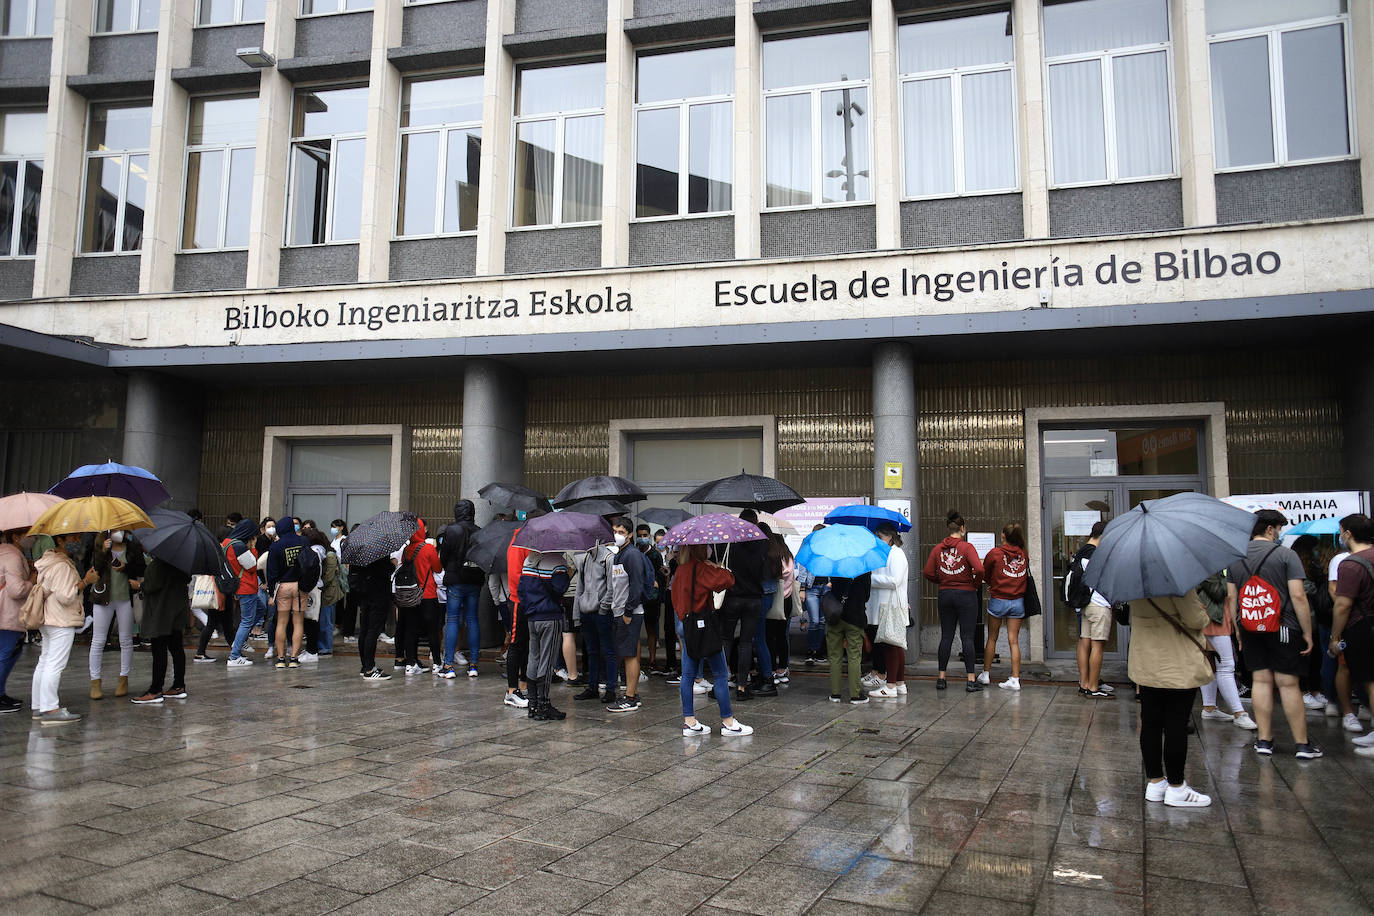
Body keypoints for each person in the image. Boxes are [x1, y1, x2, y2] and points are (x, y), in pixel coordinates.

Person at [1226, 509, 1321, 759]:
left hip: (1250, 626)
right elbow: (1299, 596)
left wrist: (1237, 630)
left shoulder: (1236, 558)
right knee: (1288, 684)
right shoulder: (1286, 555)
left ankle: (1264, 740)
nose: (1279, 533)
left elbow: (1232, 598)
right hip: (1284, 627)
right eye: (1279, 529)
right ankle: (1302, 745)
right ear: (1270, 529)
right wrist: (1307, 633)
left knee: (1260, 681)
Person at [1132, 592, 1215, 807]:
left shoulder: (1135, 585)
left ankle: (1155, 781)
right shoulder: (1177, 585)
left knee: (1150, 724)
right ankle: (1177, 787)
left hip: (1146, 662)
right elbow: (1196, 619)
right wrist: (1203, 613)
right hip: (1176, 663)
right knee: (1176, 725)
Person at [673, 544, 752, 737]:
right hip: (704, 627)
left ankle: (689, 722)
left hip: (686, 625)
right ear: (698, 549)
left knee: (688, 675)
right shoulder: (701, 568)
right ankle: (728, 722)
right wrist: (719, 567)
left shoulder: (681, 569)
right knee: (720, 674)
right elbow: (727, 580)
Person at [32, 533, 93, 724]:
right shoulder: (62, 565)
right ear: (60, 540)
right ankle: (50, 709)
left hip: (48, 618)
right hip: (61, 619)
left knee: (45, 661)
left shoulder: (47, 560)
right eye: (73, 538)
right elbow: (66, 596)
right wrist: (85, 581)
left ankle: (39, 705)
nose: (77, 542)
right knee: (54, 664)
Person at [923, 509, 984, 692]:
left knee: (946, 636)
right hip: (966, 595)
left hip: (945, 594)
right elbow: (979, 569)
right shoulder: (967, 548)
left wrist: (941, 580)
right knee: (967, 637)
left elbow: (927, 572)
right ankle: (971, 679)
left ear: (948, 528)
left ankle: (941, 677)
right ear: (963, 528)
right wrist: (974, 584)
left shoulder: (938, 549)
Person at [1330, 514, 1374, 756]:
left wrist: (1335, 636)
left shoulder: (1351, 564)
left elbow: (1343, 605)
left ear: (1348, 534)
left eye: (1341, 531)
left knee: (1370, 681)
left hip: (1363, 628)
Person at [721, 509, 774, 700]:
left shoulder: (731, 543)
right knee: (746, 643)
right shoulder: (762, 544)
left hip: (733, 597)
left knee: (726, 639)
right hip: (754, 599)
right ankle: (742, 687)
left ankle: (721, 683)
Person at [88, 530, 145, 700]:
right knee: (98, 640)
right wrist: (102, 552)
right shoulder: (100, 545)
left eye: (120, 528)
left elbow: (141, 568)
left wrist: (125, 567)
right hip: (103, 596)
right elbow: (93, 568)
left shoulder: (132, 547)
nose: (117, 532)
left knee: (126, 640)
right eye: (113, 529)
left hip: (124, 597)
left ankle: (123, 679)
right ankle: (95, 682)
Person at [1197, 572, 1257, 730]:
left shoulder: (1206, 564)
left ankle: (1209, 707)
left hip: (1214, 617)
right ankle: (1239, 713)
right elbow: (1219, 592)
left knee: (1211, 665)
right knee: (1226, 667)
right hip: (1214, 619)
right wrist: (1231, 584)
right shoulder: (1209, 566)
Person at [606, 517, 653, 713]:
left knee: (630, 655)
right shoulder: (620, 555)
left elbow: (636, 585)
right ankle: (631, 693)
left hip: (629, 612)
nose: (617, 535)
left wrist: (627, 611)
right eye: (615, 531)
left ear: (630, 535)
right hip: (620, 611)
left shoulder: (632, 555)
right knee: (626, 653)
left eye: (621, 532)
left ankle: (630, 697)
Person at [517, 549, 569, 721]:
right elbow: (559, 589)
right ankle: (544, 705)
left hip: (532, 617)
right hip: (550, 616)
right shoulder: (558, 562)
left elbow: (521, 590)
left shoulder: (529, 560)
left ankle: (532, 704)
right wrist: (568, 574)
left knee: (534, 658)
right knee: (547, 661)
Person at [132, 555, 191, 704]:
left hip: (161, 611)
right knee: (176, 647)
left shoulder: (159, 563)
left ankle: (155, 690)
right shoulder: (182, 561)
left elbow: (152, 585)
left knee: (159, 649)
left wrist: (139, 585)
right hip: (177, 610)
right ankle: (178, 685)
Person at [978, 524, 1029, 691]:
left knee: (992, 637)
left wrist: (993, 583)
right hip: (1018, 600)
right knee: (1013, 640)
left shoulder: (995, 553)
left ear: (1004, 536)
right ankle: (1015, 678)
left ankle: (985, 674)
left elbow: (985, 573)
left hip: (998, 599)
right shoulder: (1023, 554)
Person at [1068, 521, 1115, 699]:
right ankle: (1094, 687)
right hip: (1098, 603)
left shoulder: (1081, 552)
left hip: (1085, 604)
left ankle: (1084, 683)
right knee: (1097, 646)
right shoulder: (1097, 554)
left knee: (1083, 641)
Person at [438, 500, 483, 680]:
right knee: (472, 620)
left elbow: (444, 556)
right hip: (474, 579)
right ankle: (473, 665)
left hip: (455, 578)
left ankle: (448, 665)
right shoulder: (480, 531)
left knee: (453, 620)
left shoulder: (451, 530)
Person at [868, 521, 910, 699]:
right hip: (886, 605)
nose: (877, 539)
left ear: (890, 537)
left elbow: (895, 580)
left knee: (891, 645)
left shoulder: (897, 554)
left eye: (880, 536)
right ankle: (899, 683)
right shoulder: (886, 553)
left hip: (892, 605)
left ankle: (891, 685)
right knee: (895, 644)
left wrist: (871, 579)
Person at [266, 514, 314, 669]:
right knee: (298, 622)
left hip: (283, 586)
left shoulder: (276, 546)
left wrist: (271, 593)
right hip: (300, 586)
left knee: (281, 622)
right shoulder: (303, 541)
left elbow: (271, 572)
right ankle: (294, 657)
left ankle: (280, 658)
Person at [398, 520, 443, 675]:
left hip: (410, 595)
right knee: (432, 630)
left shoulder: (406, 550)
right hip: (428, 593)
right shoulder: (428, 548)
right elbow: (438, 568)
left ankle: (411, 663)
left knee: (411, 629)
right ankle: (437, 663)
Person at [574, 540, 615, 704]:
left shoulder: (608, 558)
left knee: (608, 651)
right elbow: (580, 587)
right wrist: (577, 614)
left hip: (601, 612)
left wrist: (604, 607)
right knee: (591, 652)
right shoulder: (584, 558)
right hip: (587, 612)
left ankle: (611, 688)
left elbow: (612, 587)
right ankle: (592, 686)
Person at [0, 527, 34, 713]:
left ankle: (1, 693)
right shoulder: (12, 556)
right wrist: (33, 581)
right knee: (5, 654)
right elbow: (17, 590)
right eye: (28, 534)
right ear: (16, 537)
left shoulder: (5, 552)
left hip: (4, 611)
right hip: (8, 612)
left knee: (7, 653)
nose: (33, 539)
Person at [826, 573, 872, 704]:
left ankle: (835, 694)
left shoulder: (836, 565)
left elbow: (834, 589)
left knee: (834, 656)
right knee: (854, 657)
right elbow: (866, 596)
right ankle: (855, 694)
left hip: (835, 616)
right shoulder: (864, 569)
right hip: (855, 618)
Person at [223, 518, 261, 667]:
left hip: (238, 586)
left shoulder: (227, 542)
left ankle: (240, 642)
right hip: (246, 586)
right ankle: (234, 656)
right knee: (246, 621)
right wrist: (253, 548)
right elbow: (252, 566)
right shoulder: (239, 546)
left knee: (260, 610)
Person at [355, 552, 397, 680]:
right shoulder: (378, 552)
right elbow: (383, 571)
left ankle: (365, 666)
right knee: (372, 631)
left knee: (365, 630)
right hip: (377, 594)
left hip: (364, 593)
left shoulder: (359, 553)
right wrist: (392, 565)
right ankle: (369, 668)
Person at [636, 523, 669, 676]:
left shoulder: (655, 555)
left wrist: (657, 584)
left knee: (651, 629)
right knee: (635, 631)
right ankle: (635, 663)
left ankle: (652, 661)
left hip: (651, 598)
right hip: (637, 596)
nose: (642, 538)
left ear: (649, 536)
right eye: (640, 535)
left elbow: (662, 576)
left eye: (645, 535)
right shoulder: (633, 553)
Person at [763, 530, 794, 685]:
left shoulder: (775, 558)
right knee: (782, 636)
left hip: (775, 601)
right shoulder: (789, 556)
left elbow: (776, 575)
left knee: (770, 636)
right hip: (787, 601)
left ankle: (774, 668)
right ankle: (783, 668)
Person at [797, 524, 828, 665]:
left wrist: (831, 581)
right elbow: (802, 567)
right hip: (811, 587)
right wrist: (802, 588)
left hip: (826, 587)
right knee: (815, 620)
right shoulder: (808, 545)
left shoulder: (829, 547)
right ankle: (811, 650)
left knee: (822, 621)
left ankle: (819, 651)